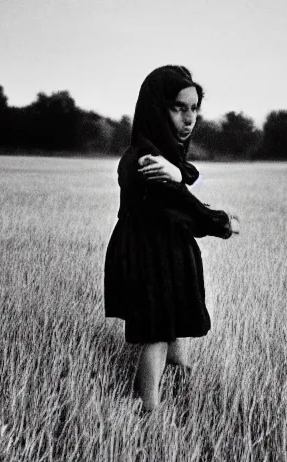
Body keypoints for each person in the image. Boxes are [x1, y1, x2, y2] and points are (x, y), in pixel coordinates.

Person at [104, 65, 239, 411]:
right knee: (157, 335)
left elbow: (186, 175)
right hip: (149, 251)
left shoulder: (164, 154)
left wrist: (179, 172)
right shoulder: (147, 159)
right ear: (156, 108)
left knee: (172, 323)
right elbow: (181, 204)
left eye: (195, 108)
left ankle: (183, 370)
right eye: (179, 108)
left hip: (166, 248)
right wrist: (219, 222)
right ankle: (147, 405)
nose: (190, 118)